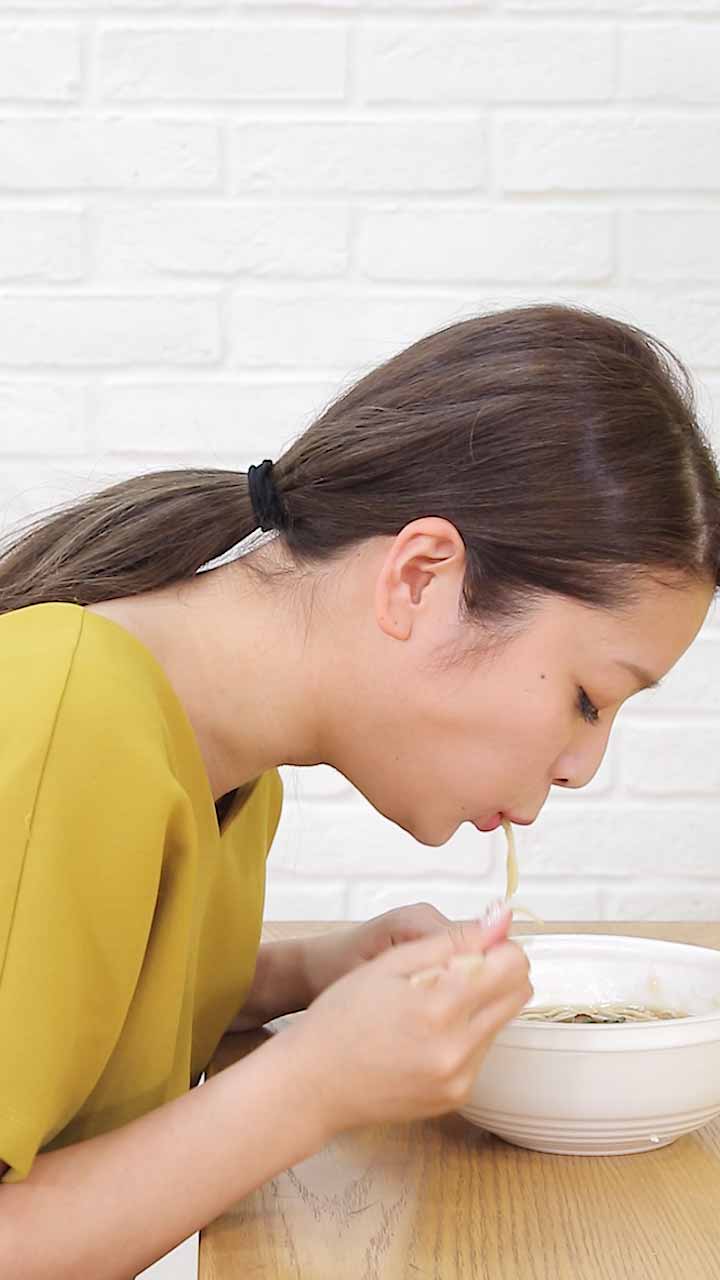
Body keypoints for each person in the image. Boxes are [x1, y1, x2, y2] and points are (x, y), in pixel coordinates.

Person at [0, 302, 718, 1277]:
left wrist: (304, 975)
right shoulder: (61, 718)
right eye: (591, 697)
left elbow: (72, 992)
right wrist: (312, 1084)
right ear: (420, 577)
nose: (582, 765)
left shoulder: (230, 773)